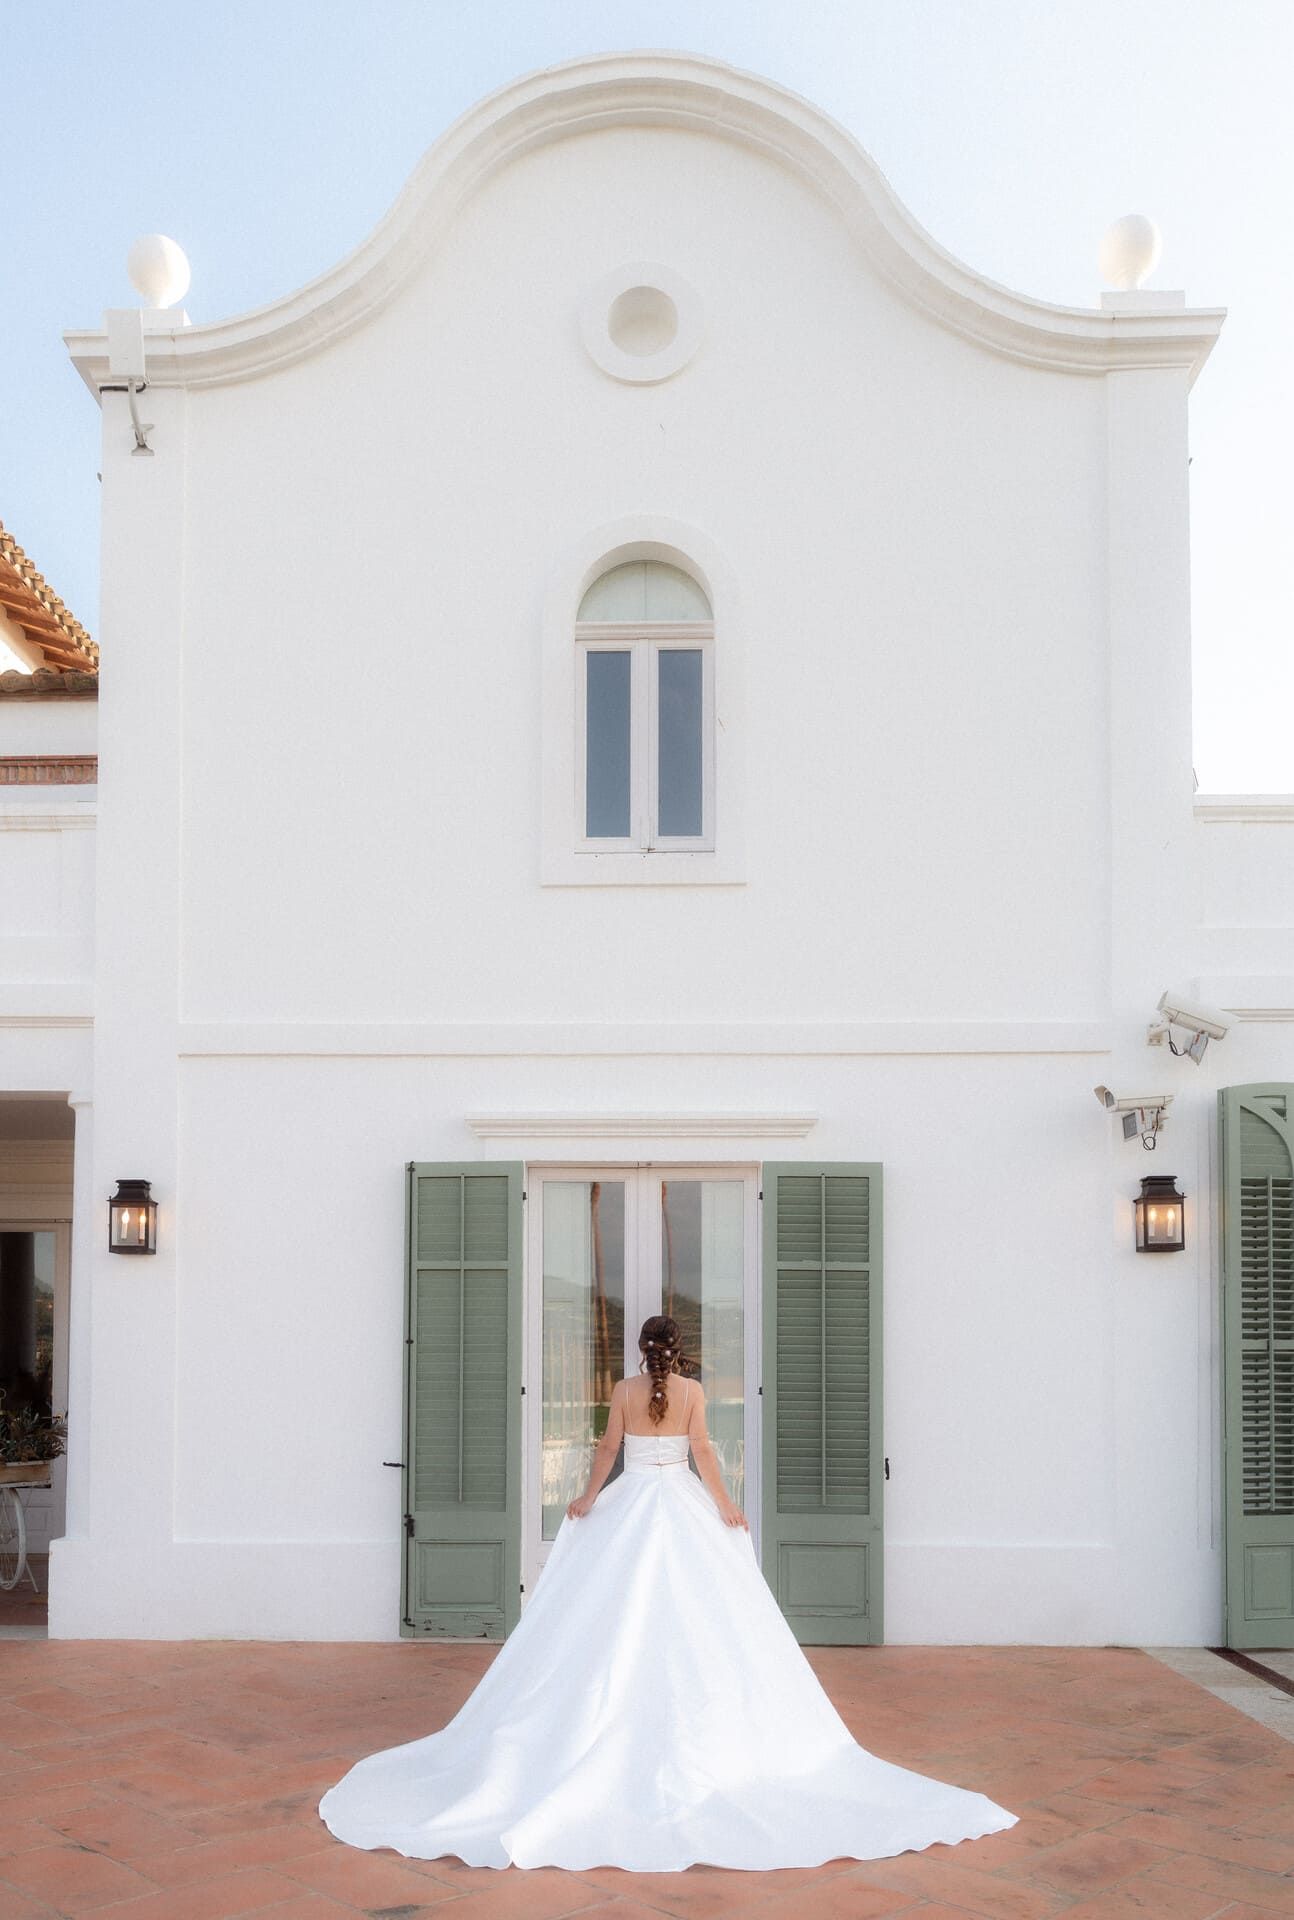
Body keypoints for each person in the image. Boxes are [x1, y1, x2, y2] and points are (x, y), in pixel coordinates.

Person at [318, 1314, 1017, 1871]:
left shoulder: (625, 1391)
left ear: (642, 1352)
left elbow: (607, 1452)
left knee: (606, 1612)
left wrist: (586, 1499)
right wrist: (726, 1505)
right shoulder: (692, 1394)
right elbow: (704, 1451)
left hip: (632, 1504)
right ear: (678, 1354)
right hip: (680, 1501)